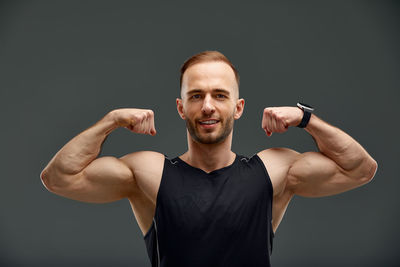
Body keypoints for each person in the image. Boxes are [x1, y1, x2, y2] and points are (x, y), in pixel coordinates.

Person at [40, 51, 378, 267]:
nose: (207, 106)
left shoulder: (273, 170)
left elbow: (361, 169)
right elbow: (58, 178)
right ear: (180, 107)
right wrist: (111, 120)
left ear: (238, 107)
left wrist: (306, 119)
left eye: (220, 95)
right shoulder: (150, 172)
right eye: (196, 96)